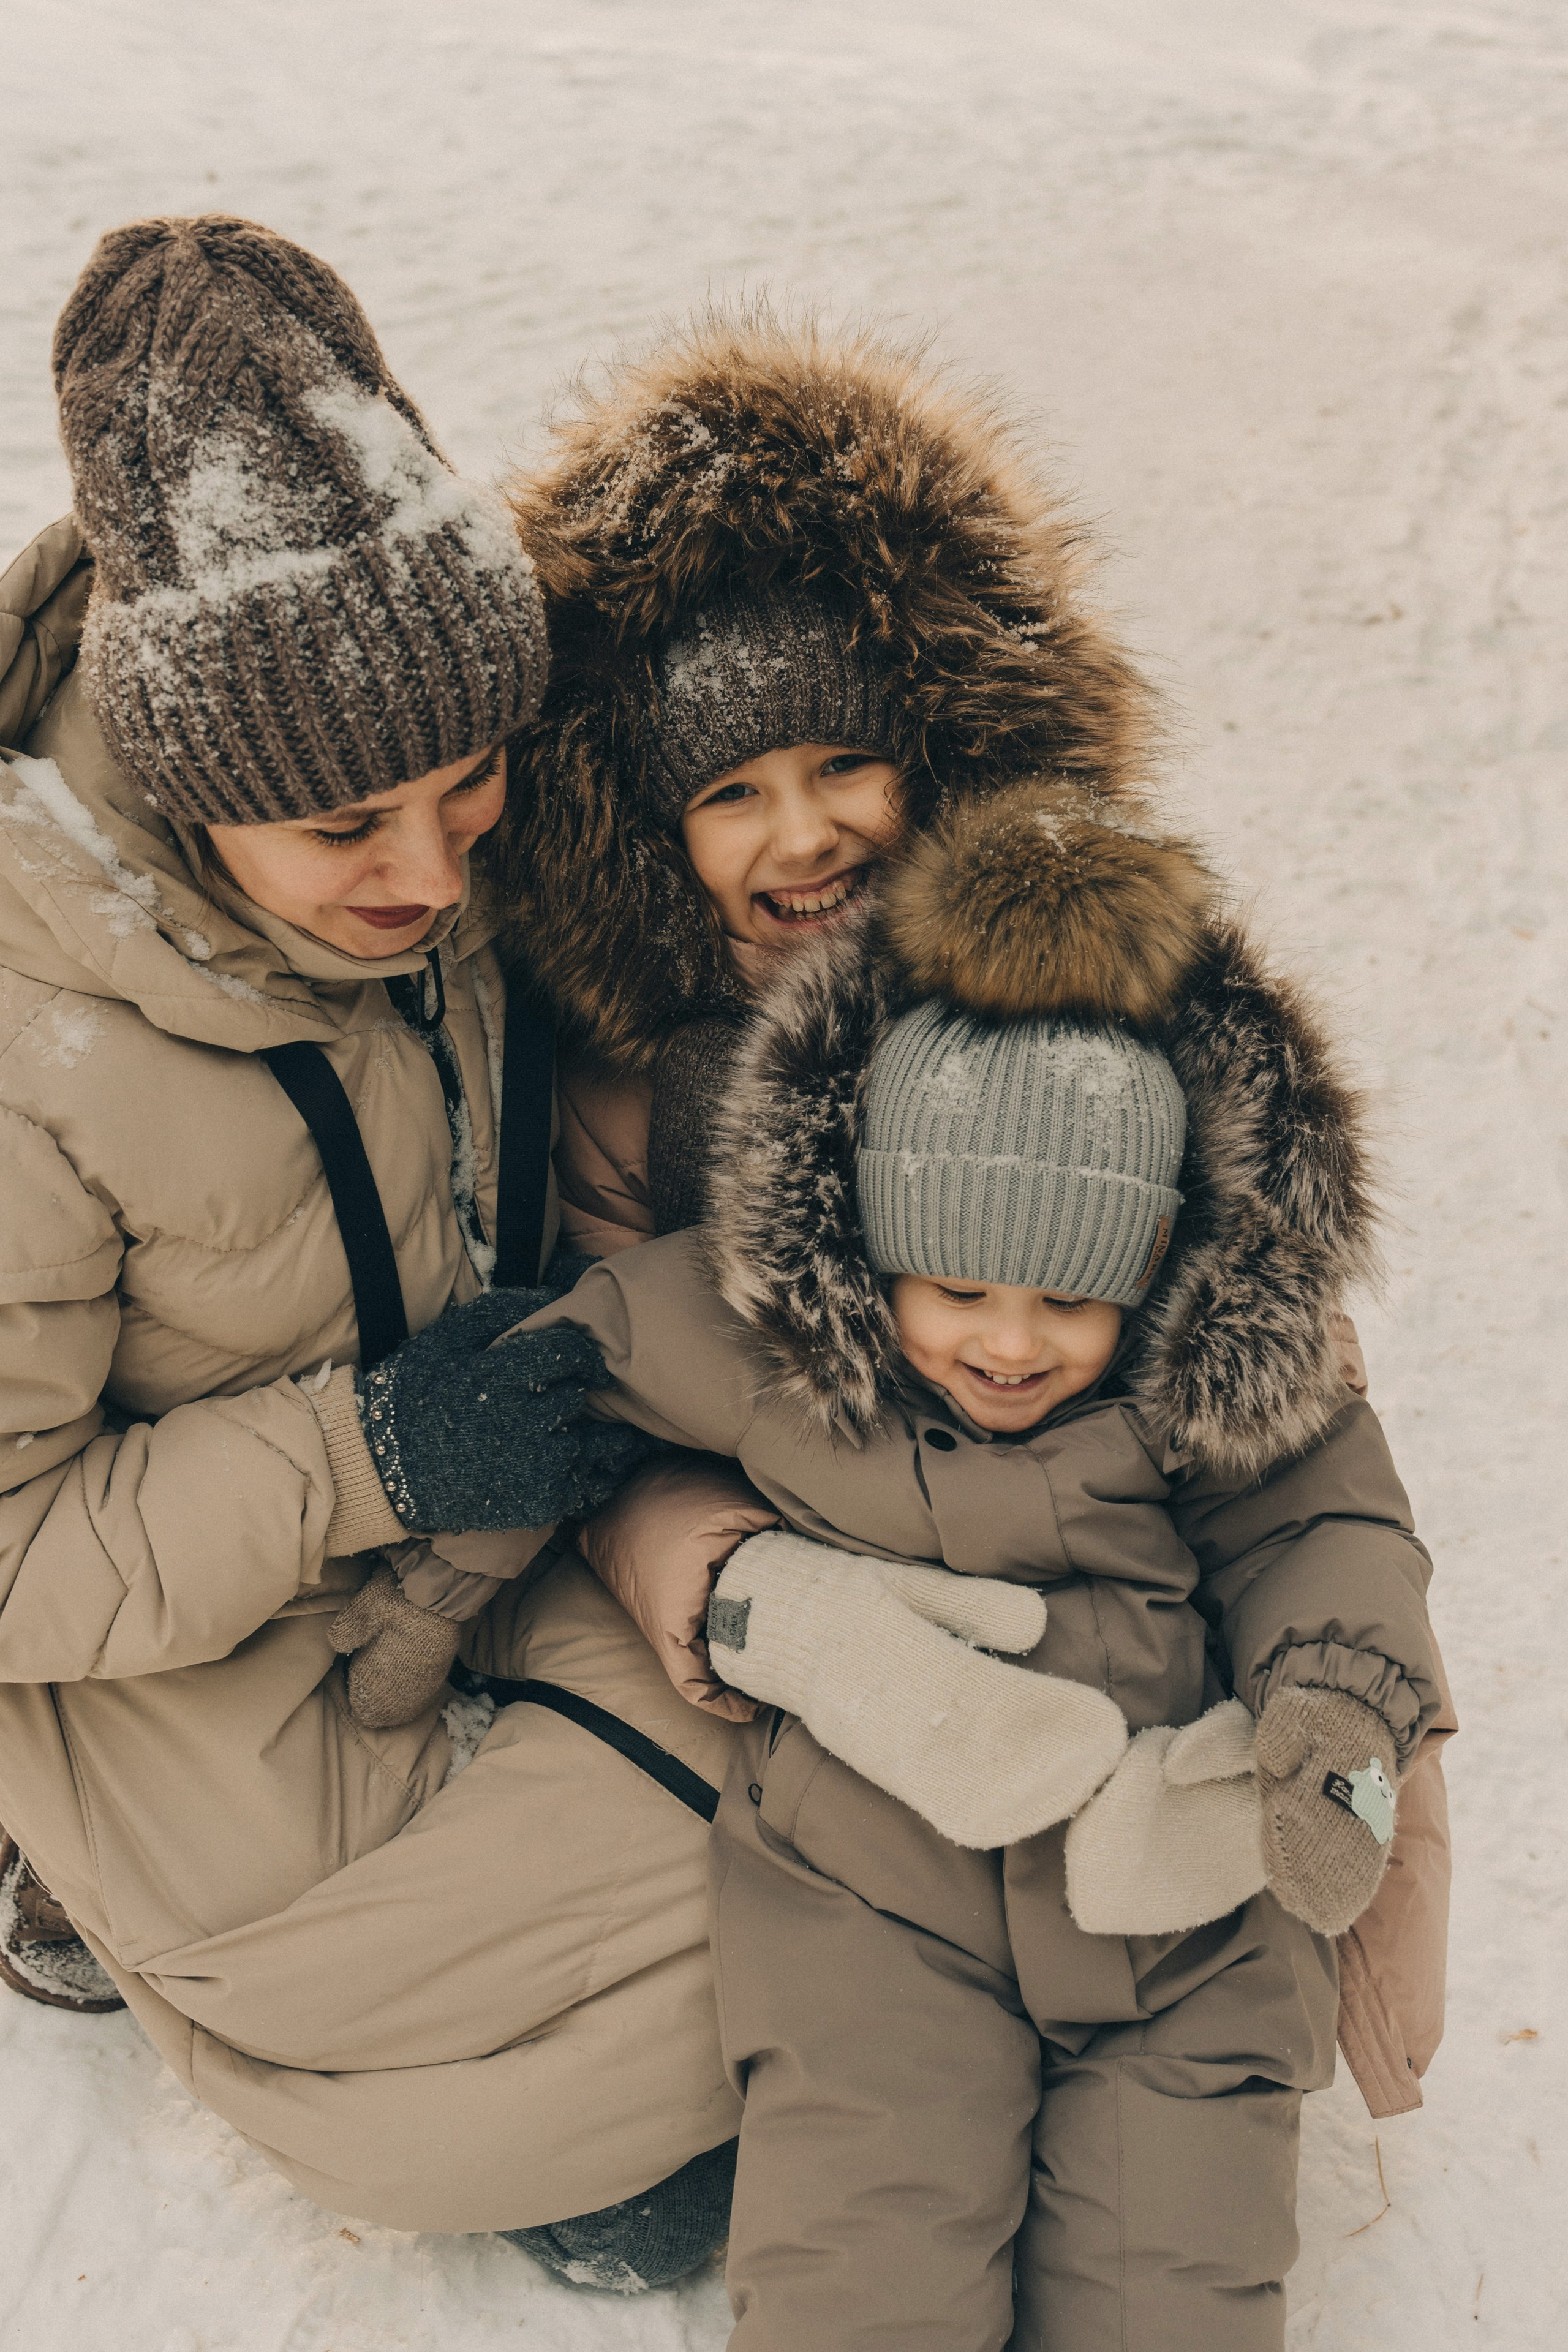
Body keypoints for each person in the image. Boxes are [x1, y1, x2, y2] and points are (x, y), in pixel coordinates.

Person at [0, 214, 745, 2290]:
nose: (430, 872)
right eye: (345, 835)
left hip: (506, 1532)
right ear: (188, 781)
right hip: (198, 1644)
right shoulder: (33, 1039)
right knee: (563, 2092)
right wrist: (372, 1457)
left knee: (884, 1853)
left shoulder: (492, 848)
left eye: (466, 785)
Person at [477, 779, 1447, 2348]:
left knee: (1176, 2276)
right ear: (868, 1247)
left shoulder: (1207, 1388)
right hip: (873, 1896)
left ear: (1151, 1264)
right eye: (957, 1288)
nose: (1009, 1343)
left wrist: (1330, 1716)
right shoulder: (776, 1344)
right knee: (861, 2255)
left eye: (1072, 1299)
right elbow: (563, 1364)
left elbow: (1325, 1532)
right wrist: (442, 1517)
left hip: (1177, 1900)